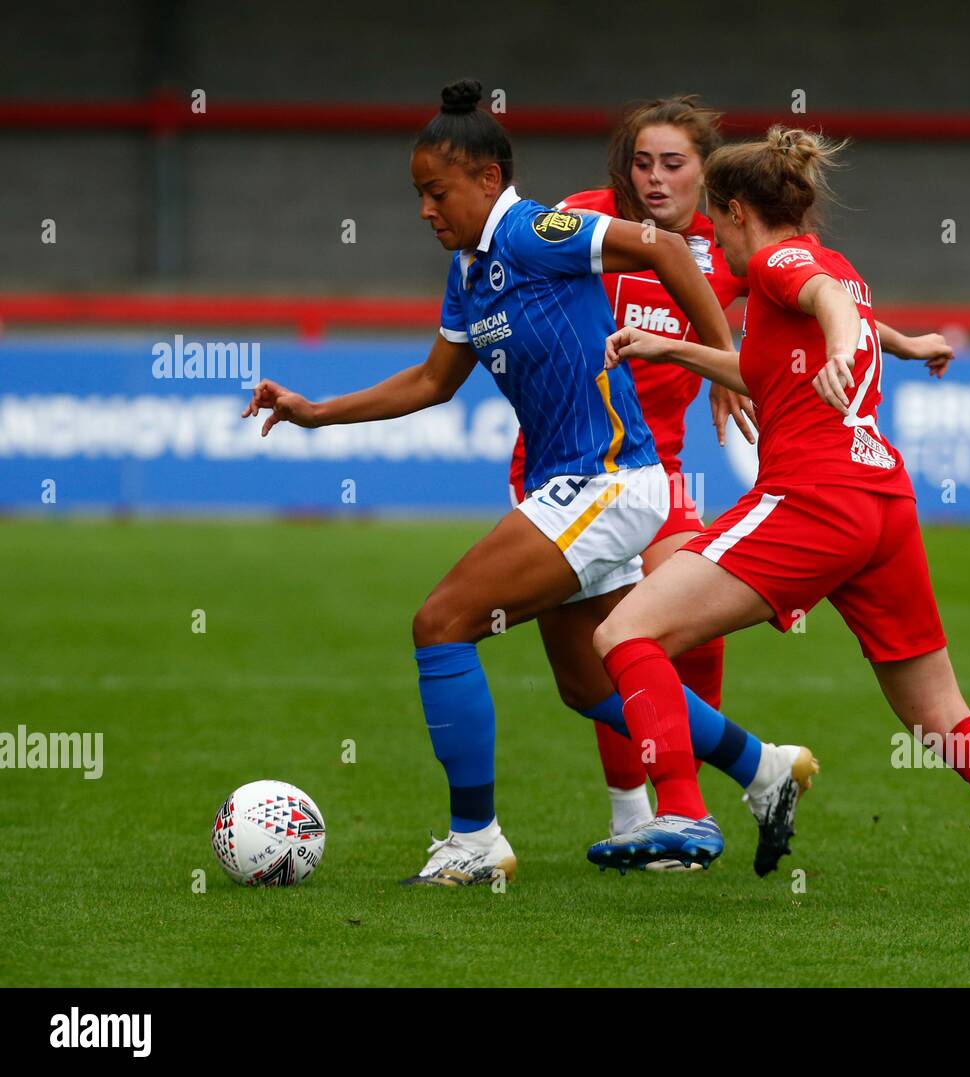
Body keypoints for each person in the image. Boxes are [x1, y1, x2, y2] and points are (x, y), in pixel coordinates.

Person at [589, 126, 970, 910]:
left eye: (716, 224)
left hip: (813, 500)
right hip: (883, 506)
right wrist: (674, 352)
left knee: (622, 634)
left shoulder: (779, 262)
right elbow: (791, 349)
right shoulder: (835, 267)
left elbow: (827, 307)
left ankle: (684, 811)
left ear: (736, 212)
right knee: (944, 714)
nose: (716, 248)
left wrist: (843, 347)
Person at [241, 79, 732, 885]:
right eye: (418, 195)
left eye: (435, 192)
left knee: (441, 622)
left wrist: (727, 368)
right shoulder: (472, 271)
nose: (426, 210)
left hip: (607, 480)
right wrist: (314, 412)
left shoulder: (538, 229)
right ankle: (760, 766)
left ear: (485, 178)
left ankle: (478, 836)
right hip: (568, 486)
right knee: (592, 679)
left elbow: (668, 250)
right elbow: (433, 382)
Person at [515, 97, 951, 872]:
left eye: (673, 164)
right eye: (641, 162)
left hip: (657, 469)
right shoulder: (588, 220)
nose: (653, 178)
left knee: (679, 617)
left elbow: (819, 297)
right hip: (563, 466)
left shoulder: (728, 252)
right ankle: (671, 801)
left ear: (709, 180)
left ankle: (690, 807)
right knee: (586, 672)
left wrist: (891, 343)